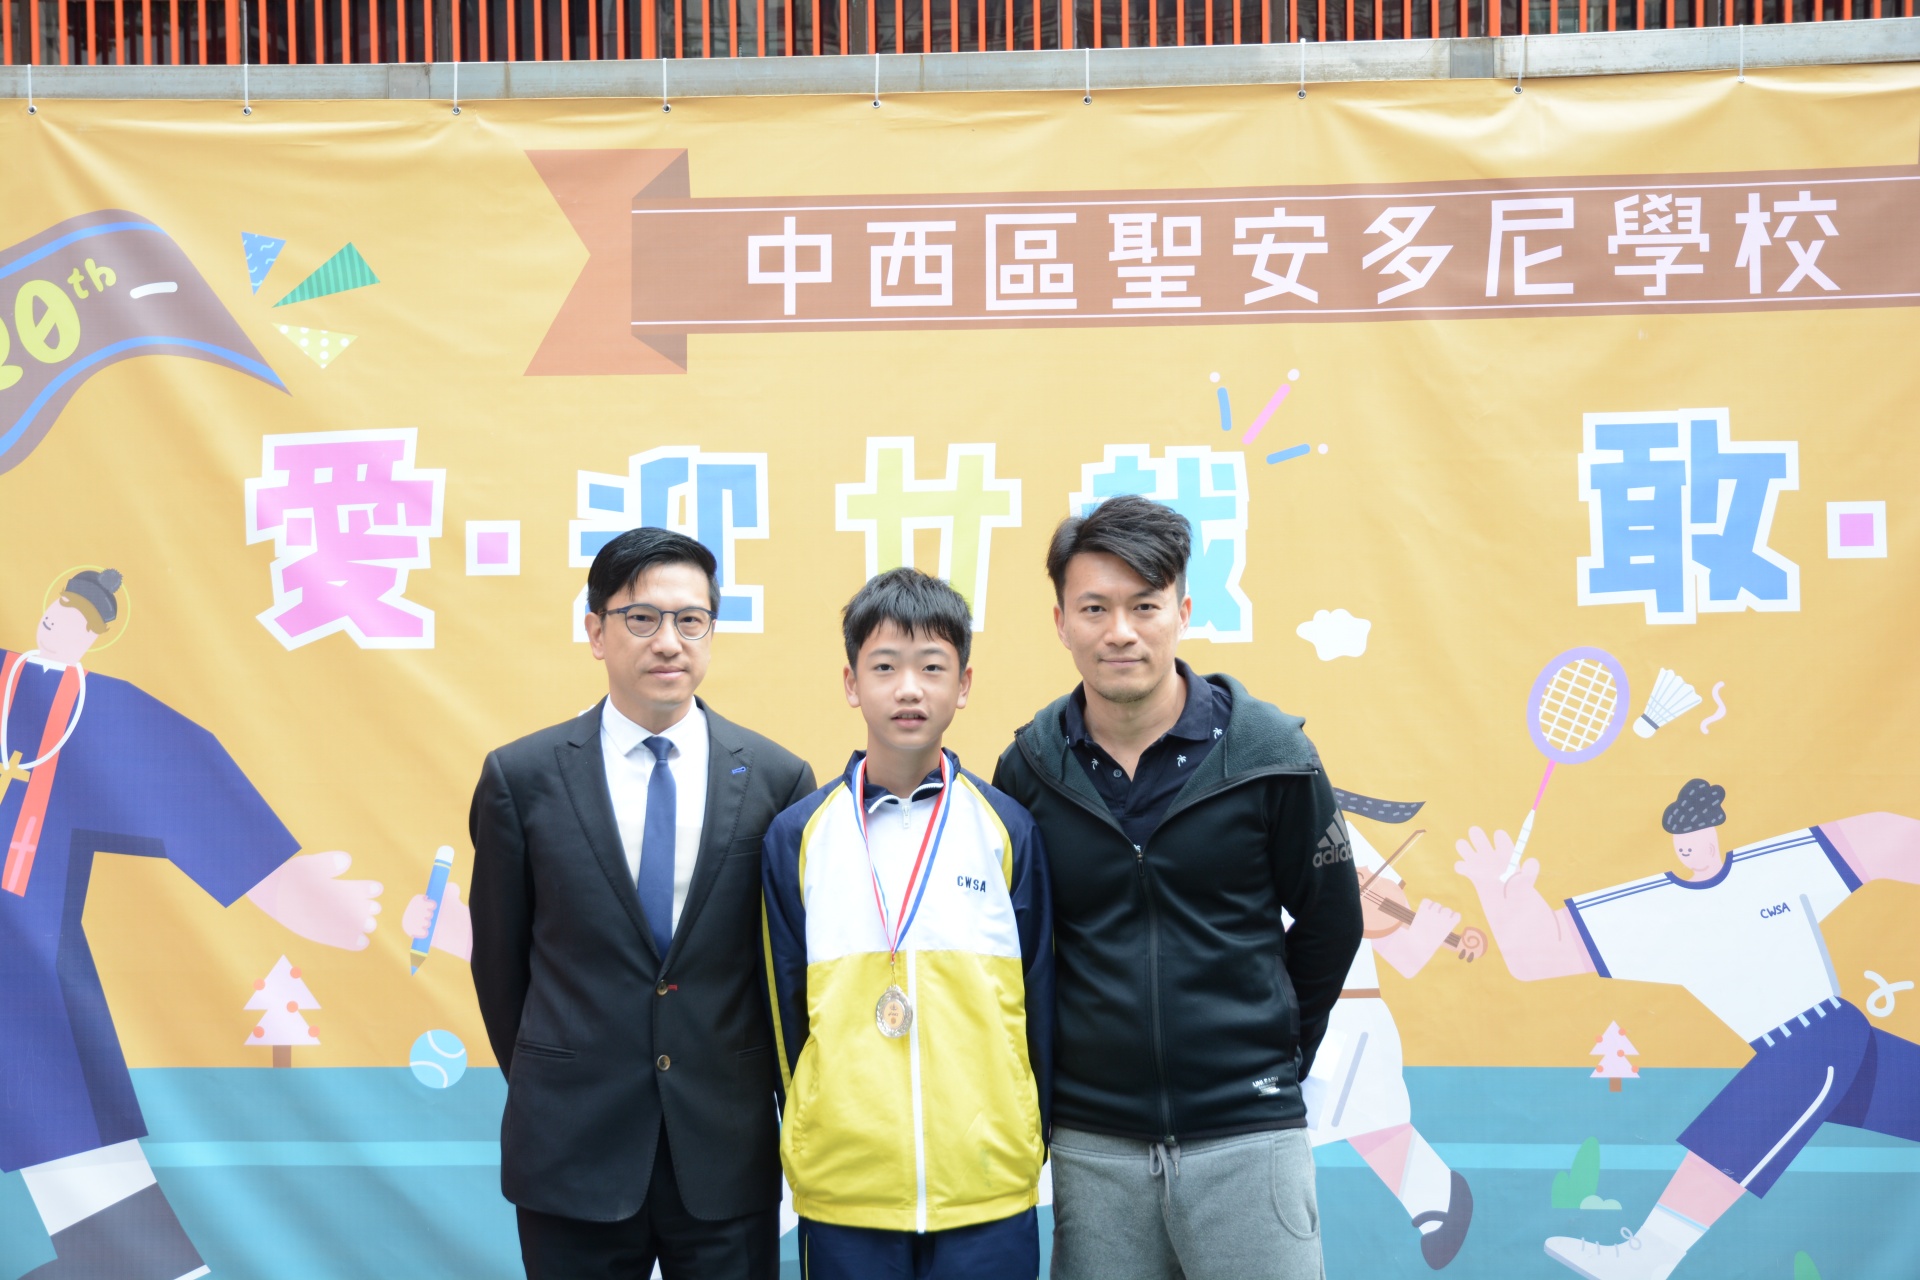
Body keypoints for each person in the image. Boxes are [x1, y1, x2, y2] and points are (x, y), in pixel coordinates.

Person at [990, 495, 1363, 1280]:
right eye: (1095, 608)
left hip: (1248, 1138)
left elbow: (1333, 922)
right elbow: (1016, 954)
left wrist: (1268, 1057)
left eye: (1144, 606)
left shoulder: (1270, 755)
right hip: (1094, 1145)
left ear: (1183, 612)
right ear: (1061, 621)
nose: (1120, 631)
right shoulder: (1028, 770)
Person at [4, 568, 384, 1280]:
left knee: (122, 1246)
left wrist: (277, 878)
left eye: (77, 617)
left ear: (91, 635)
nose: (60, 621)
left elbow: (162, 756)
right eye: (60, 608)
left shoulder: (72, 707)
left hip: (18, 980)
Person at [468, 528, 815, 1280]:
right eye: (642, 618)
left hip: (723, 1146)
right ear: (596, 632)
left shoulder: (777, 780)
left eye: (691, 620)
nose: (668, 641)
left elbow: (783, 974)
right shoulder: (521, 779)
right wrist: (558, 1077)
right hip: (572, 1143)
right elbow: (499, 965)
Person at [1454, 778, 1920, 1280]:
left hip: (1821, 1032)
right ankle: (1650, 1253)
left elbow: (1879, 837)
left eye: (1695, 835)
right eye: (1681, 841)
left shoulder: (1775, 863)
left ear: (1714, 829)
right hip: (1813, 1043)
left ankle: (1652, 1252)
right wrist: (1497, 896)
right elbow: (1537, 955)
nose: (1689, 847)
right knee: (1804, 1064)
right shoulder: (1651, 908)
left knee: (1796, 1064)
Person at [761, 568, 1052, 1280]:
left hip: (986, 1187)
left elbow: (1041, 999)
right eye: (885, 667)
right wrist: (815, 1128)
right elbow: (783, 1016)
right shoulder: (799, 834)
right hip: (847, 1190)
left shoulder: (1006, 827)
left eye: (932, 667)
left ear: (964, 684)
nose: (909, 689)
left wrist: (1023, 1130)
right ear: (852, 683)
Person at [1303, 798, 1475, 1271]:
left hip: (1346, 1016)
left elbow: (1402, 949)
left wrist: (1429, 931)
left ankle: (1436, 1196)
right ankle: (1436, 1195)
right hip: (1281, 1017)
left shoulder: (1332, 828)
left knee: (1363, 1122)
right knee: (1358, 1125)